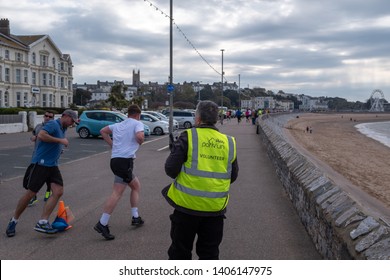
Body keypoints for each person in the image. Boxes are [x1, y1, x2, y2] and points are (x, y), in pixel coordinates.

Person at [163, 100, 239, 259]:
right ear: (216, 119)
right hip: (215, 210)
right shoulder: (229, 142)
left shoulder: (188, 136)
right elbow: (233, 176)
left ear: (197, 119)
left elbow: (170, 169)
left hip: (186, 207)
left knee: (180, 253)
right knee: (209, 254)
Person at [6, 109, 78, 237]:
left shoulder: (63, 127)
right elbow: (41, 135)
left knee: (58, 191)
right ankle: (14, 220)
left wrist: (58, 148)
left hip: (52, 166)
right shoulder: (53, 124)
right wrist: (60, 141)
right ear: (65, 116)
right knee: (30, 194)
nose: (72, 123)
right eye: (72, 120)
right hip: (40, 164)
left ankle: (43, 221)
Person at [94, 104, 145, 240]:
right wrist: (140, 141)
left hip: (115, 161)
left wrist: (112, 144)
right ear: (137, 114)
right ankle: (102, 223)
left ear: (128, 113)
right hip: (125, 162)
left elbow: (103, 131)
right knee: (117, 193)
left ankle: (136, 217)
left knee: (135, 186)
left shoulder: (118, 125)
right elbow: (140, 137)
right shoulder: (137, 123)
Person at [27, 110, 54, 206]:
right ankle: (33, 197)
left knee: (48, 177)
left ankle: (48, 191)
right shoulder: (39, 126)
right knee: (32, 176)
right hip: (36, 156)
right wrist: (33, 137)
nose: (47, 118)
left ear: (52, 118)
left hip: (48, 157)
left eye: (50, 117)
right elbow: (33, 135)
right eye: (46, 116)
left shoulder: (53, 128)